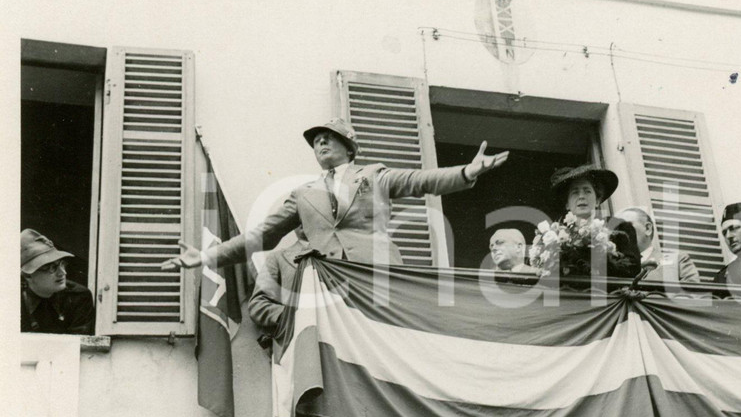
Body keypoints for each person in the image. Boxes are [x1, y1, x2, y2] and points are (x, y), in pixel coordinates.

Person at [161, 119, 509, 272]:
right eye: (316, 141)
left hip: (378, 277)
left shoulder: (374, 175)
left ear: (349, 147)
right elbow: (262, 234)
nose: (321, 143)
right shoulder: (303, 194)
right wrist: (206, 257)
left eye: (328, 137)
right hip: (328, 281)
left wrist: (467, 172)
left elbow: (420, 180)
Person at [547, 164, 642, 279]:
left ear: (597, 200)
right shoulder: (558, 235)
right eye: (575, 192)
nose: (581, 196)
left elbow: (632, 267)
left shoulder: (619, 226)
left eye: (587, 191)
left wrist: (599, 258)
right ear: (567, 204)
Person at [20, 229, 95, 335]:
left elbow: (78, 344)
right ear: (28, 275)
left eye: (62, 264)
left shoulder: (78, 297)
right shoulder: (10, 301)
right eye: (51, 267)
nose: (63, 272)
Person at [248, 227, 311, 344]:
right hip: (299, 340)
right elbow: (258, 304)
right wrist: (292, 316)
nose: (302, 221)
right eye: (297, 219)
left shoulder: (341, 254)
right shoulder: (277, 258)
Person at [617, 206, 700, 283]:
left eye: (626, 226)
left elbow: (693, 291)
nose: (620, 233)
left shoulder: (677, 260)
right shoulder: (615, 266)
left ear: (647, 229)